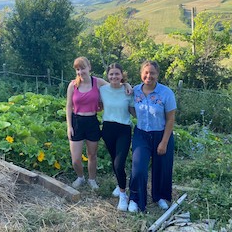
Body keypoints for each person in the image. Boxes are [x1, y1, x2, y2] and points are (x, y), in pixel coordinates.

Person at [66, 57, 132, 190]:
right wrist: (69, 126)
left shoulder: (97, 82)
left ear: (89, 67)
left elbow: (114, 85)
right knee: (76, 159)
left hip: (92, 122)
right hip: (77, 121)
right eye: (78, 69)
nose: (80, 72)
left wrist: (126, 85)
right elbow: (68, 106)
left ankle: (92, 179)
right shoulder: (73, 85)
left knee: (92, 155)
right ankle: (80, 177)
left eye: (83, 68)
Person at [128, 60, 177, 213]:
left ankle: (160, 197)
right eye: (146, 72)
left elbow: (170, 119)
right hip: (141, 134)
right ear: (141, 74)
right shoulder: (135, 90)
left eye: (152, 73)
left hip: (162, 134)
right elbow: (131, 108)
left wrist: (164, 142)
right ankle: (135, 199)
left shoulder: (166, 93)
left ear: (158, 75)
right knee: (138, 168)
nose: (149, 76)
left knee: (162, 167)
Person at [100, 63, 135, 211]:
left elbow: (134, 112)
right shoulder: (102, 90)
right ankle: (119, 184)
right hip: (107, 128)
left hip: (123, 129)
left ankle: (123, 195)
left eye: (117, 74)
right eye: (111, 74)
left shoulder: (128, 91)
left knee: (119, 164)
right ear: (107, 76)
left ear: (122, 75)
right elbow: (89, 78)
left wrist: (127, 85)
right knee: (114, 160)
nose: (114, 76)